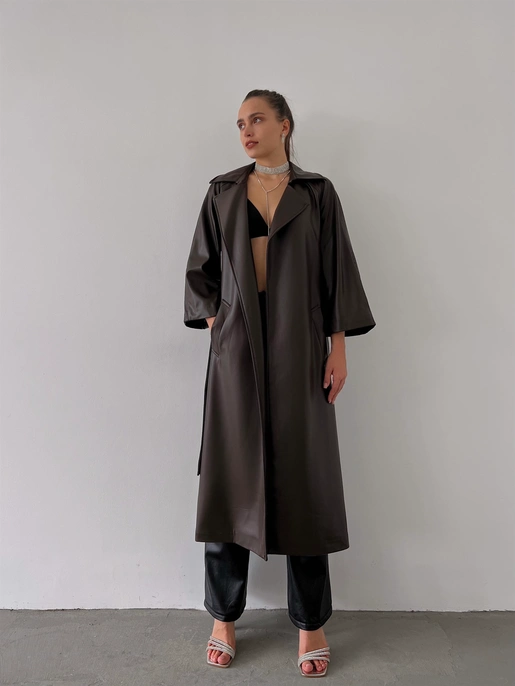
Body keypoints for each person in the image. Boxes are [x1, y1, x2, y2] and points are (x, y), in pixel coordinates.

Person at [183, 89, 376, 677]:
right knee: (229, 478)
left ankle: (311, 623)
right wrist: (220, 323)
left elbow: (336, 269)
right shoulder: (222, 191)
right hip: (237, 350)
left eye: (258, 119)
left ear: (284, 125)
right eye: (240, 123)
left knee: (305, 481)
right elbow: (200, 272)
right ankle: (223, 618)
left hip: (301, 343)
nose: (247, 130)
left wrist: (338, 346)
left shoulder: (317, 193)